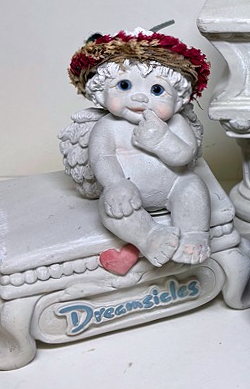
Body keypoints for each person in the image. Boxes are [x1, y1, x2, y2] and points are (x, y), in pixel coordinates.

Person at [60, 28, 213, 266]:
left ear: (178, 100)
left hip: (174, 186)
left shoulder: (175, 122)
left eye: (156, 90)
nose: (140, 98)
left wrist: (162, 141)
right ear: (101, 92)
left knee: (192, 186)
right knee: (112, 208)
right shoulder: (107, 126)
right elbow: (102, 158)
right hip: (127, 192)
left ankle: (194, 235)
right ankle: (150, 236)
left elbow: (185, 155)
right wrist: (115, 184)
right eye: (124, 85)